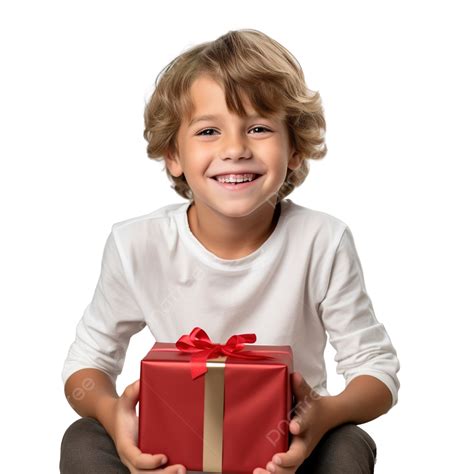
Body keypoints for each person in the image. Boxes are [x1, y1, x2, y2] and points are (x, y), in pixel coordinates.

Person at [60, 29, 400, 474]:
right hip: (174, 452)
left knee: (349, 442)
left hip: (285, 452)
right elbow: (86, 365)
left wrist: (323, 416)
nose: (235, 148)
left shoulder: (323, 240)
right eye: (208, 131)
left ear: (294, 149)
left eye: (258, 128)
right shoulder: (135, 245)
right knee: (83, 438)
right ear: (173, 155)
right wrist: (114, 416)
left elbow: (375, 368)